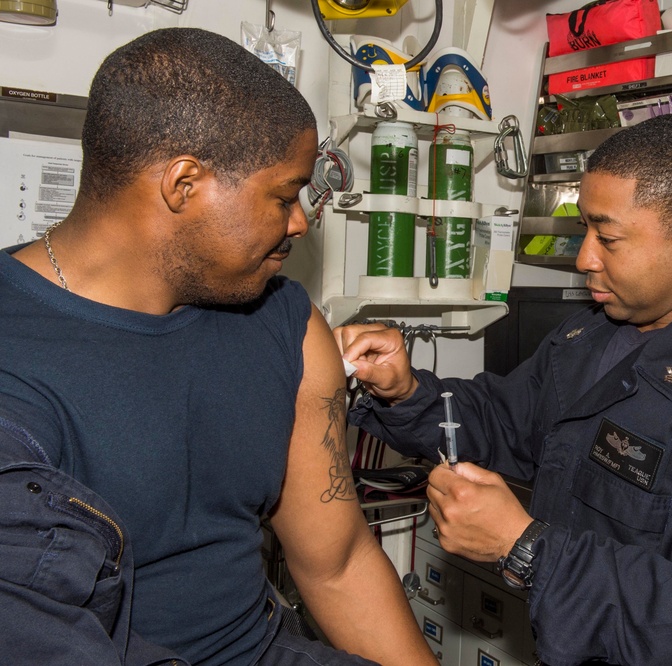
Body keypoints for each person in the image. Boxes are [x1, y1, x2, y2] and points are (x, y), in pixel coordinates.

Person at [335, 114, 672, 665]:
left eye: (609, 238)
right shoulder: (589, 337)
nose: (584, 259)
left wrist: (526, 549)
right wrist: (405, 392)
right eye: (584, 232)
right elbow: (505, 419)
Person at [0, 28, 436, 666]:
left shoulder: (285, 323)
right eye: (284, 196)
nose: (300, 221)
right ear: (184, 184)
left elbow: (337, 564)